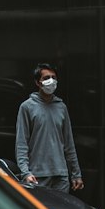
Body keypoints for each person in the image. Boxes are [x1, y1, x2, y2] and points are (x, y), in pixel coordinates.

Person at [15, 63, 84, 192]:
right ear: (37, 82)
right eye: (46, 78)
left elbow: (69, 144)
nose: (51, 81)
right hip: (37, 176)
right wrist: (26, 173)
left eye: (53, 77)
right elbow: (21, 143)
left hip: (61, 175)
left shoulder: (61, 107)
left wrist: (76, 174)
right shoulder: (27, 107)